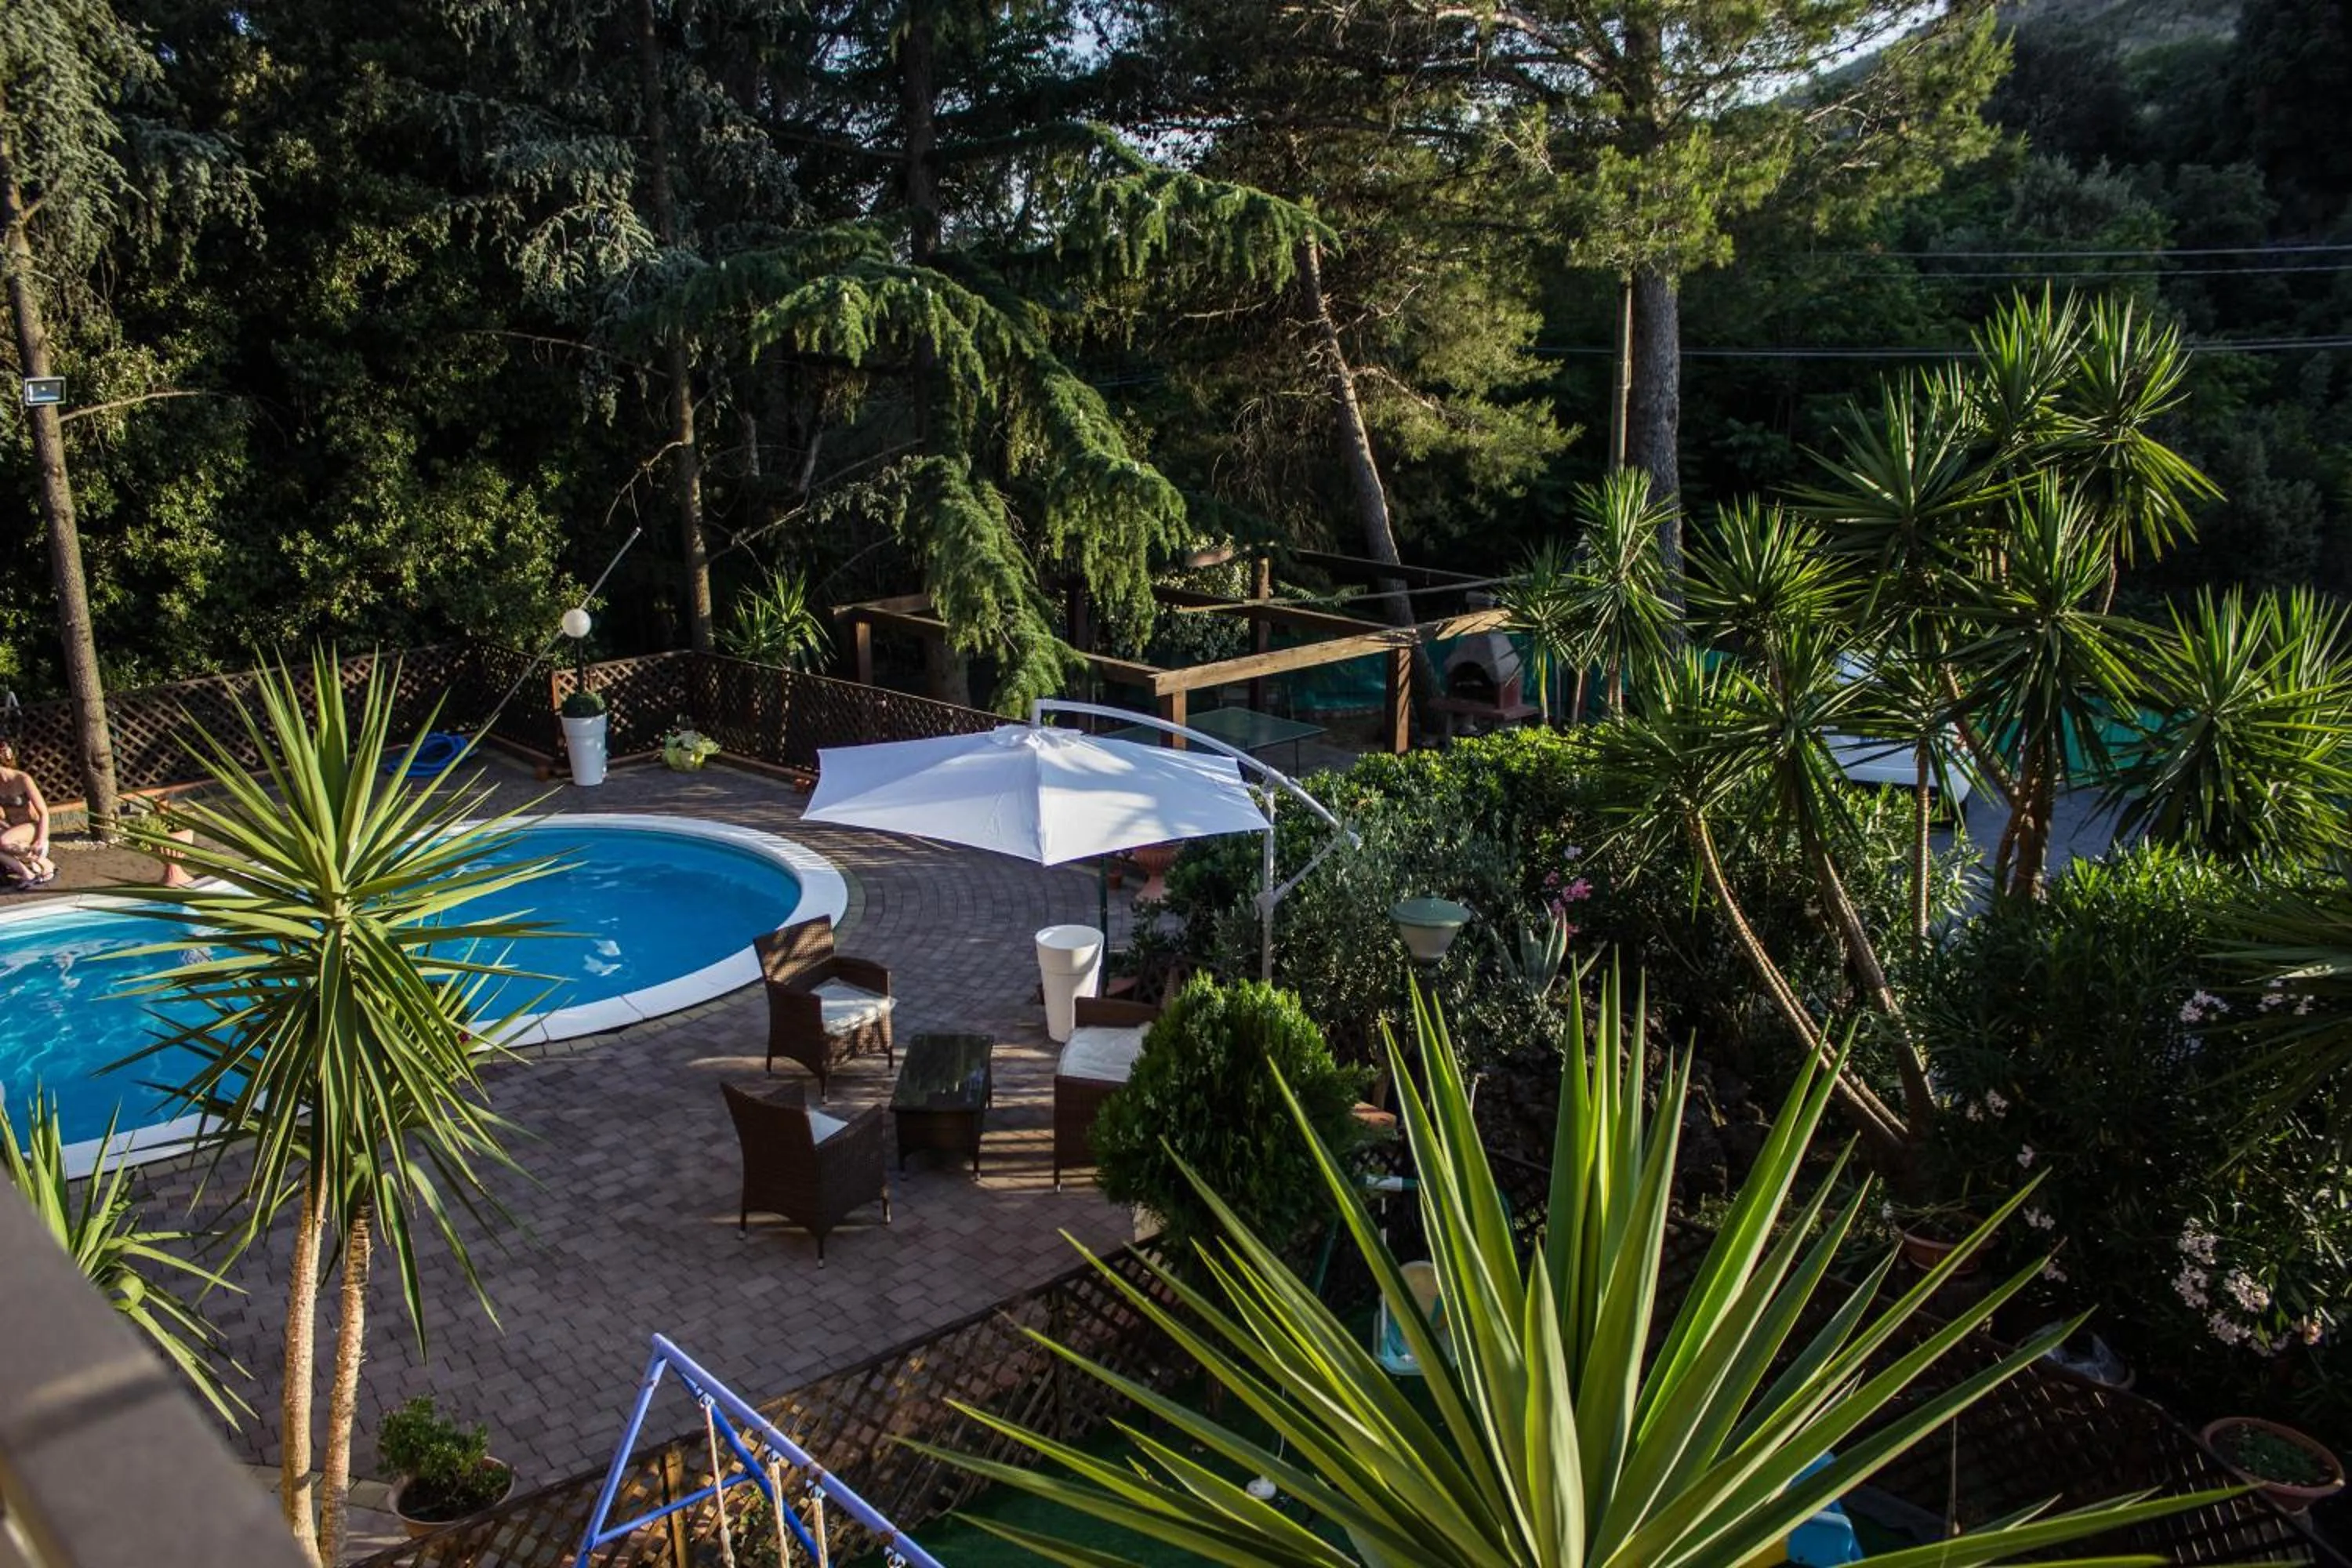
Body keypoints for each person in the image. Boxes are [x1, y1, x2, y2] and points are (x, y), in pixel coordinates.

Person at [0, 741, 56, 888]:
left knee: (3, 841)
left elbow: (44, 812)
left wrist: (41, 839)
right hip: (13, 829)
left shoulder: (22, 779)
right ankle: (27, 874)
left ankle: (46, 863)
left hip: (33, 827)